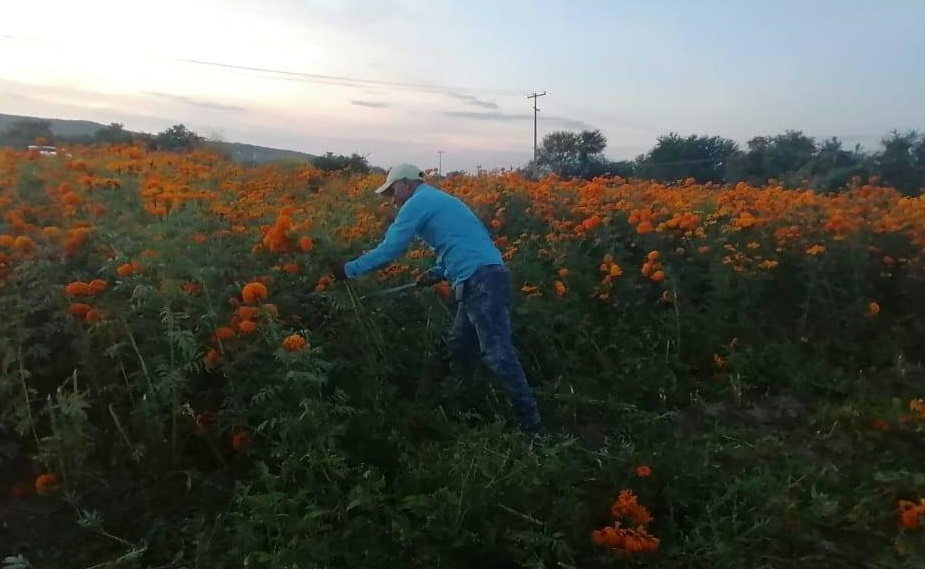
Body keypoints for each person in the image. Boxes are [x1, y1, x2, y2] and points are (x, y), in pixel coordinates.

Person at [328, 163, 543, 433]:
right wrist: (438, 271)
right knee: (460, 345)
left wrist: (349, 269)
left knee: (497, 353)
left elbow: (391, 248)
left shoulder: (418, 202)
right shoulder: (440, 200)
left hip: (481, 280)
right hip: (482, 275)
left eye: (392, 191)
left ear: (406, 184)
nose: (392, 200)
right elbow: (463, 241)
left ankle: (531, 424)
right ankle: (464, 404)